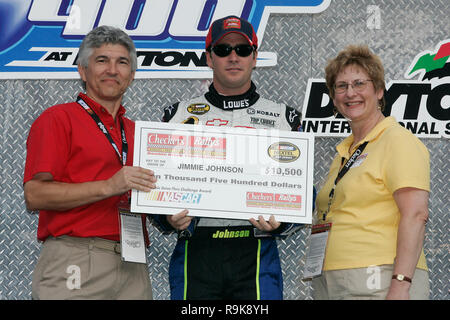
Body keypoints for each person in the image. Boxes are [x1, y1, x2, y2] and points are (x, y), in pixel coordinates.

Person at [152, 15, 305, 300]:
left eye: (242, 50)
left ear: (254, 57)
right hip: (196, 249)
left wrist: (282, 222)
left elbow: (305, 192)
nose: (233, 57)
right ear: (209, 58)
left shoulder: (285, 117)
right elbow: (155, 185)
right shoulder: (177, 116)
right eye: (223, 50)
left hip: (256, 250)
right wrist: (166, 217)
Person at [23, 25, 157, 300]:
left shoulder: (138, 133)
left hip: (133, 262)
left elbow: (154, 193)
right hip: (77, 257)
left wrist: (175, 215)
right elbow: (34, 195)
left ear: (132, 75)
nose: (112, 70)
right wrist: (109, 185)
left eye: (122, 62)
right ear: (82, 71)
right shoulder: (58, 119)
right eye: (101, 60)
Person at [312, 44, 430, 300]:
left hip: (378, 277)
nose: (350, 92)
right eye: (341, 86)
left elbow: (416, 214)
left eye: (359, 84)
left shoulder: (397, 140)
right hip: (331, 278)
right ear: (333, 98)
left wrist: (400, 284)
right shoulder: (345, 151)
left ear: (378, 90)